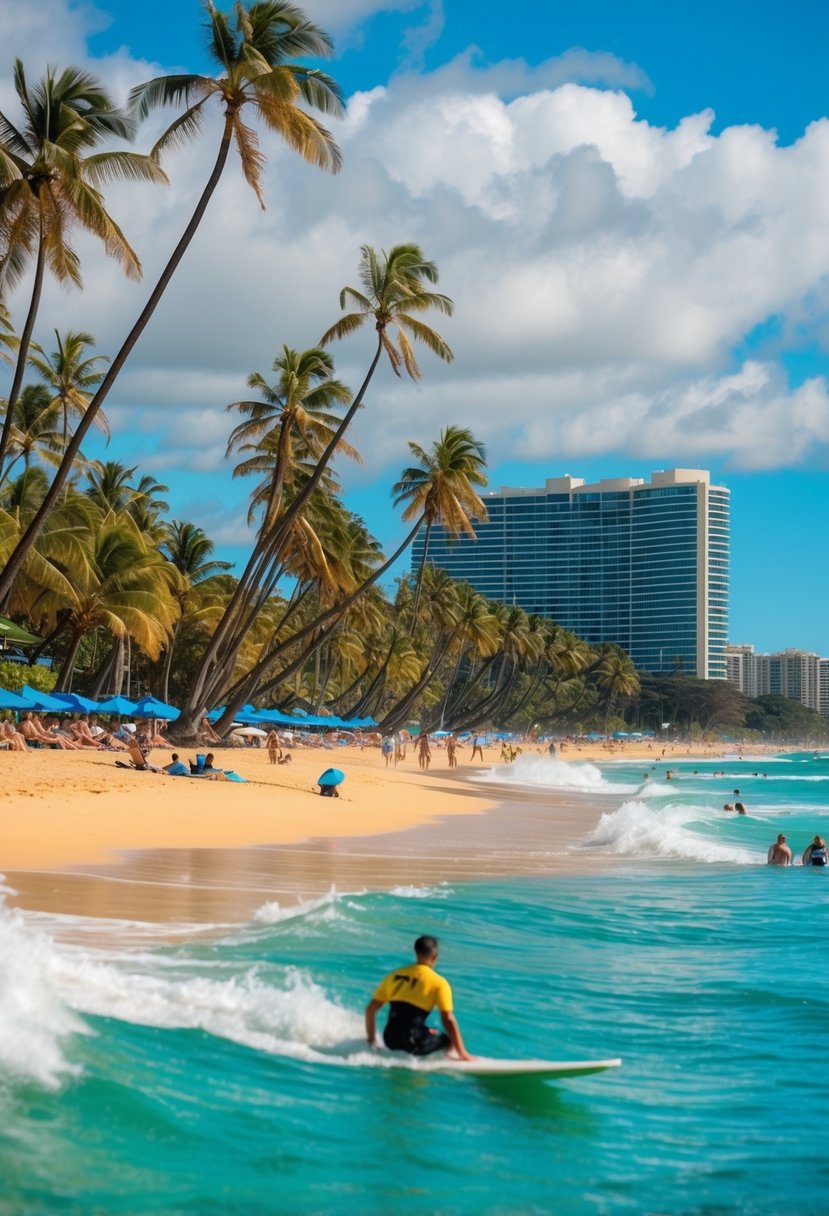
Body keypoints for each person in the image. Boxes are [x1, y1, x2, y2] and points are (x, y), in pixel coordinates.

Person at [365, 935, 471, 1060]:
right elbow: (448, 1019)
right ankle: (453, 1057)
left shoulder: (394, 976)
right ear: (436, 957)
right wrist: (463, 1052)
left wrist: (371, 1041)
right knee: (446, 1040)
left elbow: (370, 1010)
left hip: (389, 1040)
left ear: (416, 952)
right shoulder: (439, 983)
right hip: (413, 1043)